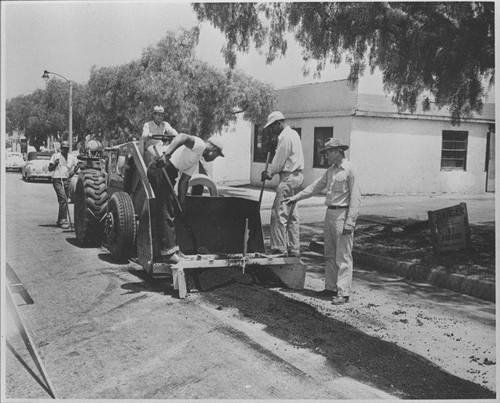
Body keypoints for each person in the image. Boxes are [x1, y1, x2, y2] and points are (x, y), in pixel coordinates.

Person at [283, 138, 361, 304]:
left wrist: (350, 221)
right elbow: (315, 187)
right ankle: (330, 288)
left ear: (336, 151)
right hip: (330, 213)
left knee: (343, 255)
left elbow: (356, 198)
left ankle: (343, 293)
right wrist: (295, 198)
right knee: (330, 254)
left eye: (327, 153)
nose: (326, 156)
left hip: (343, 214)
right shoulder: (331, 171)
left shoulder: (350, 170)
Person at [145, 133, 225, 264]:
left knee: (172, 209)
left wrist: (182, 204)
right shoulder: (199, 144)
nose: (214, 159)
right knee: (166, 209)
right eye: (216, 156)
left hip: (170, 173)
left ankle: (175, 250)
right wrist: (167, 155)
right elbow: (182, 137)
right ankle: (168, 253)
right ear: (214, 150)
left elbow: (184, 182)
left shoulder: (196, 158)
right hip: (161, 169)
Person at [261, 111, 304, 257]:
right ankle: (294, 248)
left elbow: (279, 159)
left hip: (288, 177)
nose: (272, 131)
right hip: (297, 177)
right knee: (292, 215)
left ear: (278, 123)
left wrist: (270, 172)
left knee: (278, 214)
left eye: (272, 127)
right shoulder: (294, 134)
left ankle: (279, 248)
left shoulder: (285, 136)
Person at [48, 141, 78, 229]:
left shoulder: (72, 157)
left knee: (65, 200)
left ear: (68, 149)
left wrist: (73, 172)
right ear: (61, 148)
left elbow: (77, 165)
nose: (65, 150)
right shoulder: (55, 156)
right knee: (63, 200)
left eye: (66, 148)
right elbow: (50, 169)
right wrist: (55, 164)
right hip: (57, 180)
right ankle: (63, 220)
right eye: (63, 148)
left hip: (67, 180)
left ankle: (59, 220)